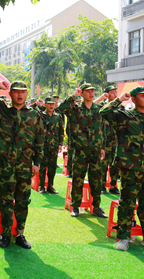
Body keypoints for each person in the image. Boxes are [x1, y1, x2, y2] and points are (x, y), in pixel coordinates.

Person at [0, 81, 44, 249]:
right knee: (6, 199)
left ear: (26, 94)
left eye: (23, 92)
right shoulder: (0, 109)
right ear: (10, 93)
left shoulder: (34, 114)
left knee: (23, 200)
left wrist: (37, 163)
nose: (20, 95)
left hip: (25, 164)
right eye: (16, 92)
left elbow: (39, 140)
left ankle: (20, 233)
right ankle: (5, 233)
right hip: (6, 163)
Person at [100, 86, 144, 252]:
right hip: (131, 167)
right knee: (127, 203)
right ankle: (123, 237)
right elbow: (104, 112)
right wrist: (120, 99)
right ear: (134, 99)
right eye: (142, 96)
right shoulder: (124, 116)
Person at [59, 84, 108, 218]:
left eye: (93, 91)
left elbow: (102, 129)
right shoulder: (75, 109)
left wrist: (103, 147)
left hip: (96, 150)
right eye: (88, 91)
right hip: (80, 149)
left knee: (96, 179)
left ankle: (97, 207)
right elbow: (61, 108)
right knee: (78, 178)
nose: (91, 93)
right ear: (82, 93)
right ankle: (75, 206)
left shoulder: (99, 109)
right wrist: (74, 95)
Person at [33, 97, 64, 194]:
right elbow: (32, 110)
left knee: (52, 167)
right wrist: (36, 104)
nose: (51, 106)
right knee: (42, 166)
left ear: (55, 105)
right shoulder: (41, 115)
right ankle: (42, 186)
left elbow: (61, 131)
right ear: (45, 105)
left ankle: (50, 186)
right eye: (49, 104)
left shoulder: (58, 116)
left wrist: (60, 144)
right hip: (43, 145)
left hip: (54, 145)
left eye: (53, 104)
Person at [96, 85, 121, 195]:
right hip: (104, 139)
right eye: (112, 92)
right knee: (103, 164)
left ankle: (113, 185)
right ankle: (101, 186)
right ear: (107, 94)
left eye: (115, 92)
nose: (115, 94)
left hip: (116, 139)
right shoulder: (102, 105)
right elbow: (92, 106)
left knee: (115, 164)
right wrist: (102, 97)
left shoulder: (120, 107)